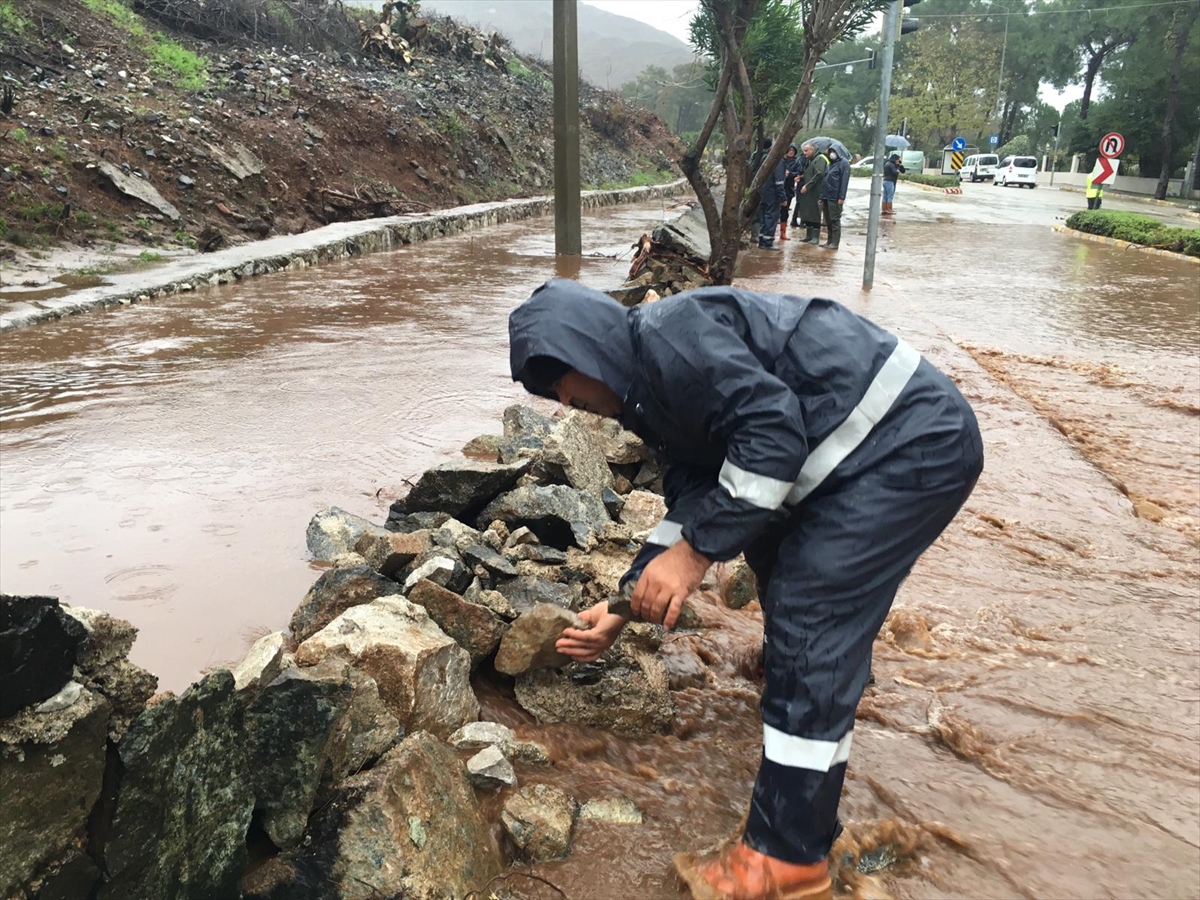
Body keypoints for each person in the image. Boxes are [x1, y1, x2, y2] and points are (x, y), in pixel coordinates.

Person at [508, 280, 984, 900]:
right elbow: (696, 499)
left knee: (810, 612)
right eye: (548, 393)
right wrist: (625, 604)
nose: (564, 400)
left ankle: (786, 860)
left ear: (589, 348)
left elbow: (773, 437)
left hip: (908, 444)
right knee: (785, 584)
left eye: (560, 378)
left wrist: (694, 556)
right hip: (854, 458)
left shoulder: (672, 342)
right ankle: (815, 753)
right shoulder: (648, 393)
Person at [753, 138, 787, 250]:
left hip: (763, 192)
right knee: (771, 217)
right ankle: (767, 242)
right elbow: (779, 182)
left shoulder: (765, 158)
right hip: (773, 194)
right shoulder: (779, 161)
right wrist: (783, 198)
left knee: (763, 216)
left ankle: (762, 240)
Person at [817, 147, 850, 250]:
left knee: (835, 220)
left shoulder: (843, 163)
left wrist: (841, 197)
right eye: (830, 152)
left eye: (833, 152)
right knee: (828, 220)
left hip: (835, 197)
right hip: (827, 196)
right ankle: (829, 241)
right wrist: (821, 196)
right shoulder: (830, 164)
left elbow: (844, 181)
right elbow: (825, 180)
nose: (832, 154)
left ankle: (835, 243)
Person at [795, 142, 828, 244]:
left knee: (815, 213)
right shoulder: (810, 160)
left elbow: (819, 174)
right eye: (804, 151)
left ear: (812, 150)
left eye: (806, 151)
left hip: (816, 191)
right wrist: (801, 177)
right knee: (807, 213)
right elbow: (809, 173)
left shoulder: (820, 159)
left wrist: (807, 185)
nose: (804, 153)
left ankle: (815, 237)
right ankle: (808, 235)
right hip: (808, 192)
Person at [779, 143, 801, 241]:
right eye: (789, 150)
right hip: (778, 188)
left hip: (789, 189)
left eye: (793, 150)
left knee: (785, 210)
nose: (791, 152)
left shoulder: (797, 162)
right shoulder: (780, 160)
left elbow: (799, 172)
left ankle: (783, 232)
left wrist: (790, 174)